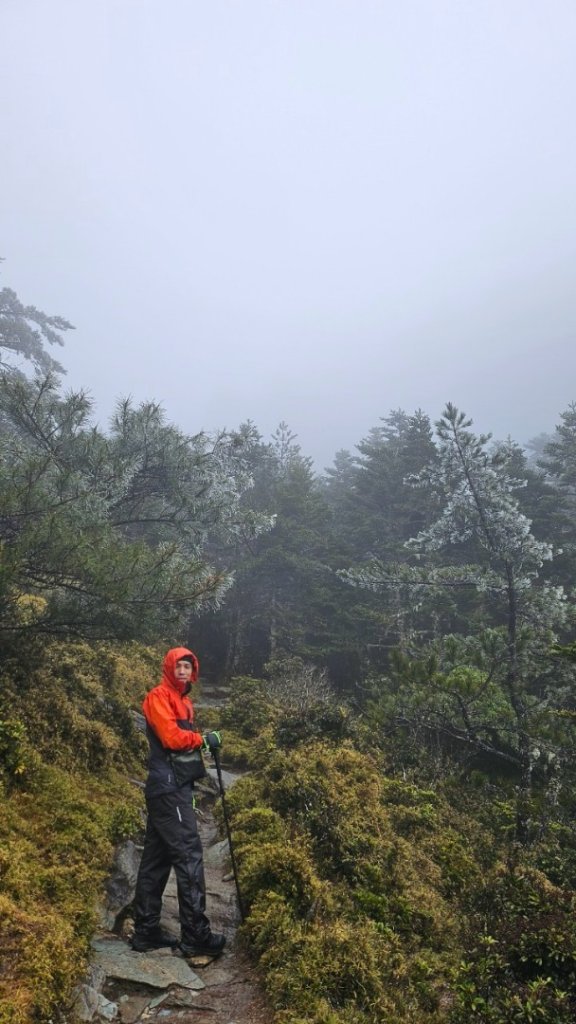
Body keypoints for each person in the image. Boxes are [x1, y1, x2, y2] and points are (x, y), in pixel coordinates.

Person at [131, 646, 226, 957]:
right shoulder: (158, 696)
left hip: (173, 787)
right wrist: (203, 739)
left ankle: (145, 932)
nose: (183, 671)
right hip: (168, 789)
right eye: (178, 666)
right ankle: (195, 935)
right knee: (188, 855)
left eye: (188, 666)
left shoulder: (184, 702)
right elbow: (172, 739)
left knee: (156, 859)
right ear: (169, 668)